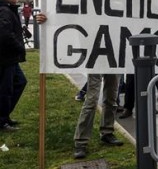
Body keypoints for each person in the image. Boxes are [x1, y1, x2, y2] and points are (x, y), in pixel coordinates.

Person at [36, 13, 124, 159]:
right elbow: (69, 17)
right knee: (91, 99)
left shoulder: (115, 4)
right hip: (95, 56)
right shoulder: (90, 5)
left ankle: (107, 132)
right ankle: (81, 141)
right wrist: (48, 19)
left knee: (111, 97)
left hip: (115, 56)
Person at [0, 0, 27, 131]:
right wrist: (19, 47)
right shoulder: (4, 11)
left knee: (20, 82)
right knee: (6, 89)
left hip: (10, 58)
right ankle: (2, 121)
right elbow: (5, 34)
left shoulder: (8, 10)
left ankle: (5, 116)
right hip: (6, 58)